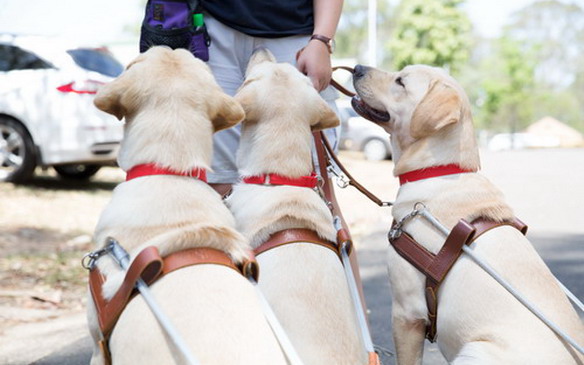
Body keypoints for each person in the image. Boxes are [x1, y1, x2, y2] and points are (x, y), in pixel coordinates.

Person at [198, 0, 344, 195]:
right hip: (213, 29)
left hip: (297, 32)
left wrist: (322, 39)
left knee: (308, 182)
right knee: (218, 180)